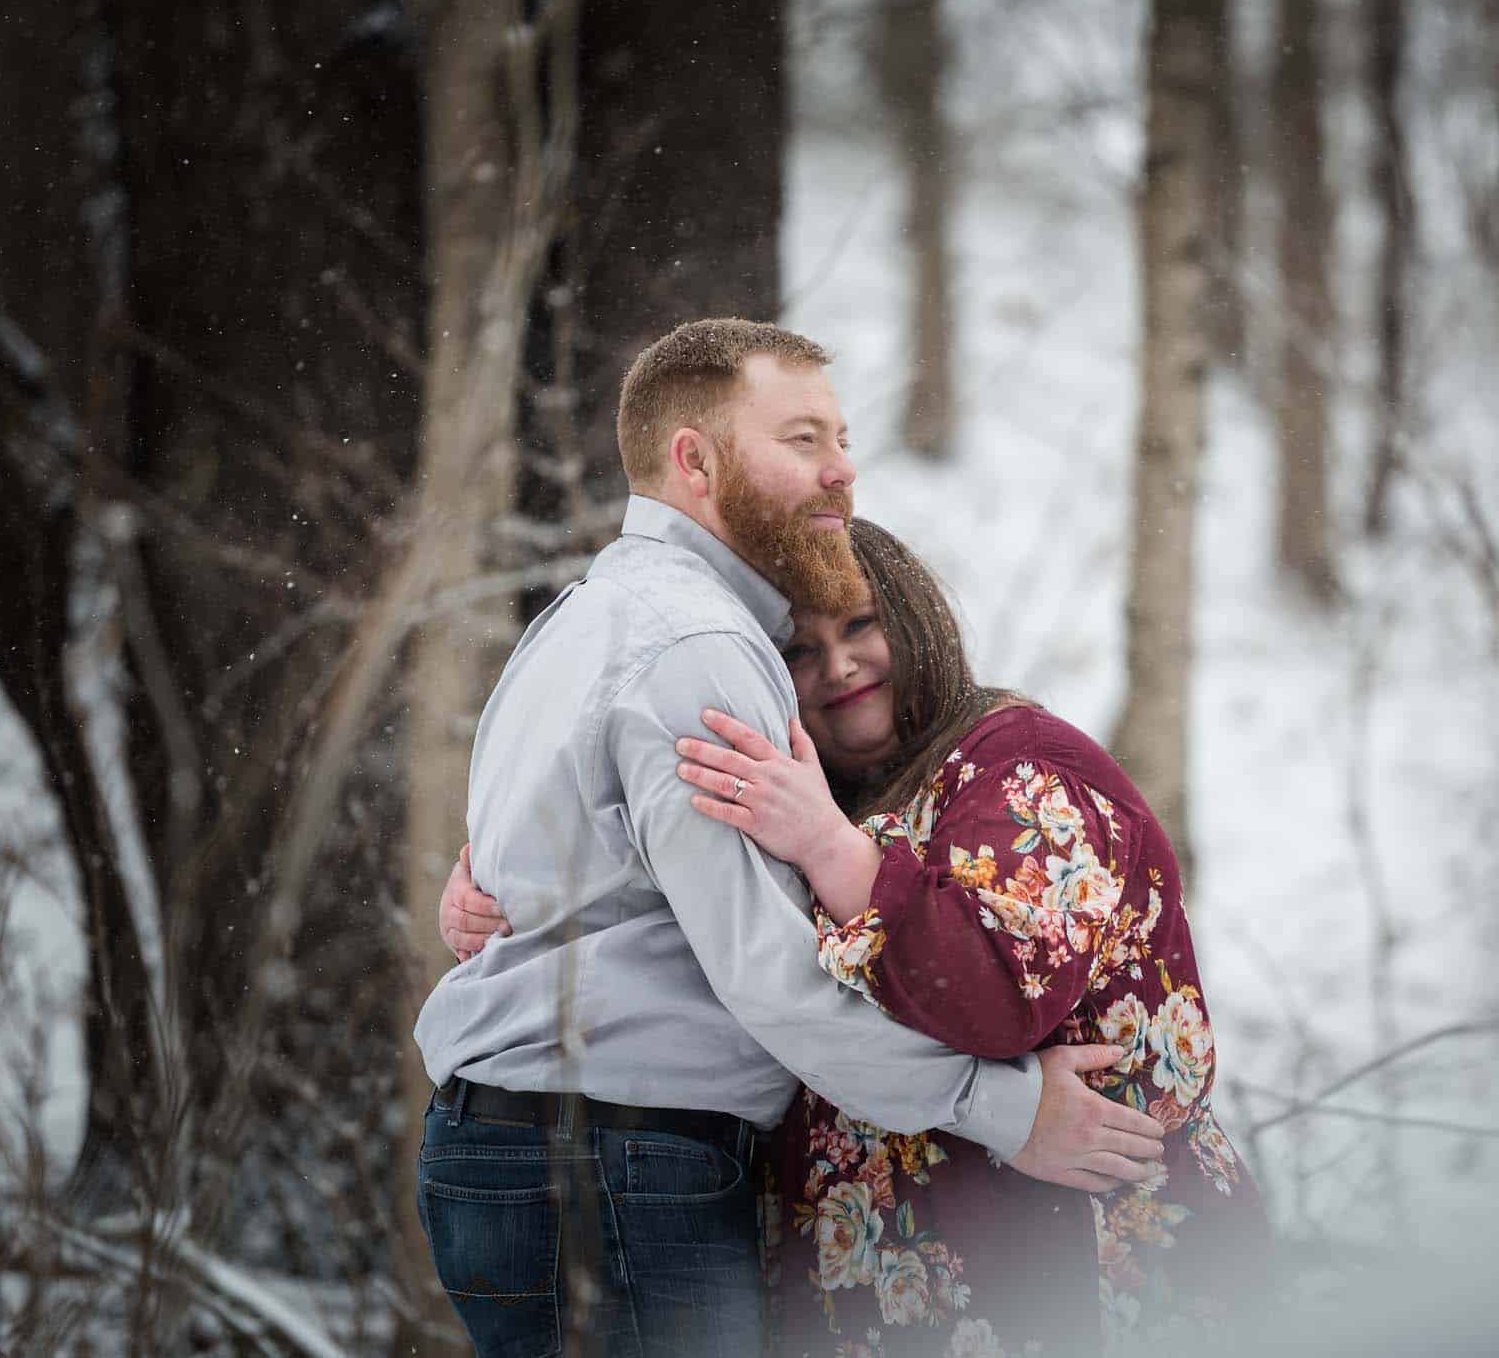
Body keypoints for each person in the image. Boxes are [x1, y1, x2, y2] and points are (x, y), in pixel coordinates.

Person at [411, 318, 1167, 1358]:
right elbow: (767, 972)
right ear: (695, 460)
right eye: (802, 439)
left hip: (523, 1143)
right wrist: (1004, 1109)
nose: (841, 470)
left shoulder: (585, 614)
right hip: (612, 1156)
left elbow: (549, 869)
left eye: (842, 438)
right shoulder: (700, 649)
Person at [445, 517, 1265, 1355]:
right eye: (800, 651)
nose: (838, 665)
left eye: (862, 625)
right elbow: (697, 932)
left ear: (915, 617)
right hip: (897, 1301)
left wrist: (833, 848)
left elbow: (993, 993)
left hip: (1075, 1273)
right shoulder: (801, 806)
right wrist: (503, 894)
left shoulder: (1015, 761)